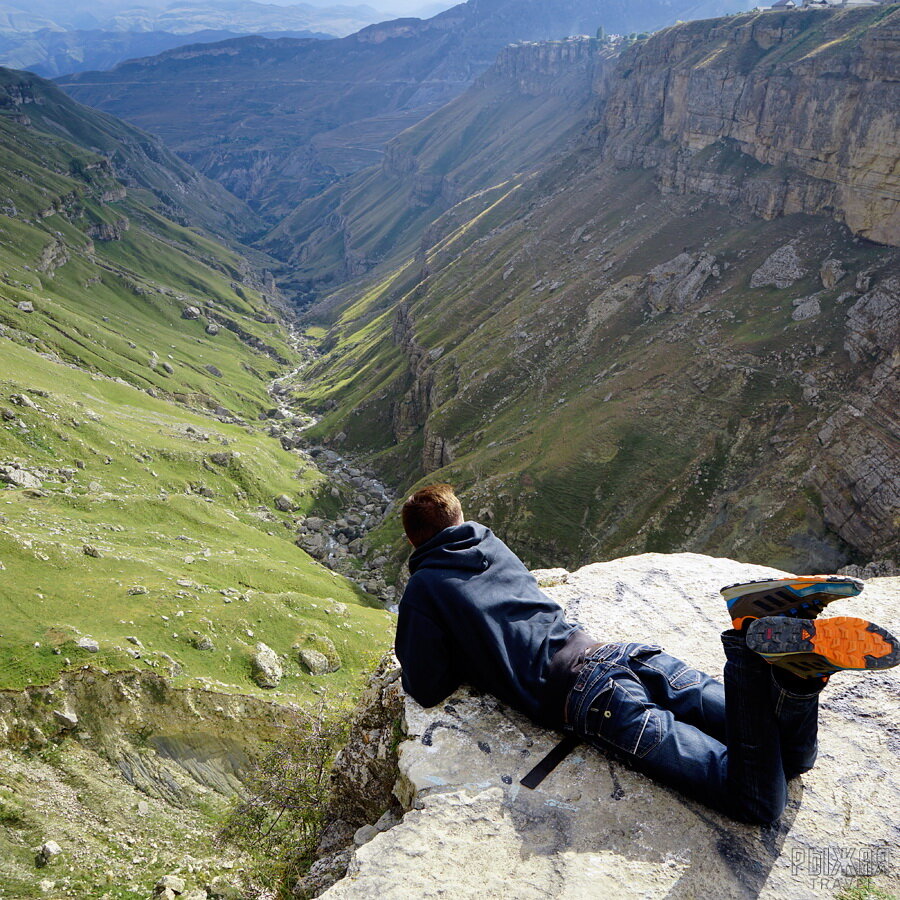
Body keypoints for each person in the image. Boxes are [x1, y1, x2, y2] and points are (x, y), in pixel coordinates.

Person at [394, 483, 900, 824]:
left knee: (758, 801)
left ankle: (749, 650)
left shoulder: (425, 588)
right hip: (628, 656)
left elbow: (427, 684)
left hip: (591, 699)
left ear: (414, 541)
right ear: (460, 517)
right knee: (794, 758)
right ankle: (796, 679)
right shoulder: (488, 542)